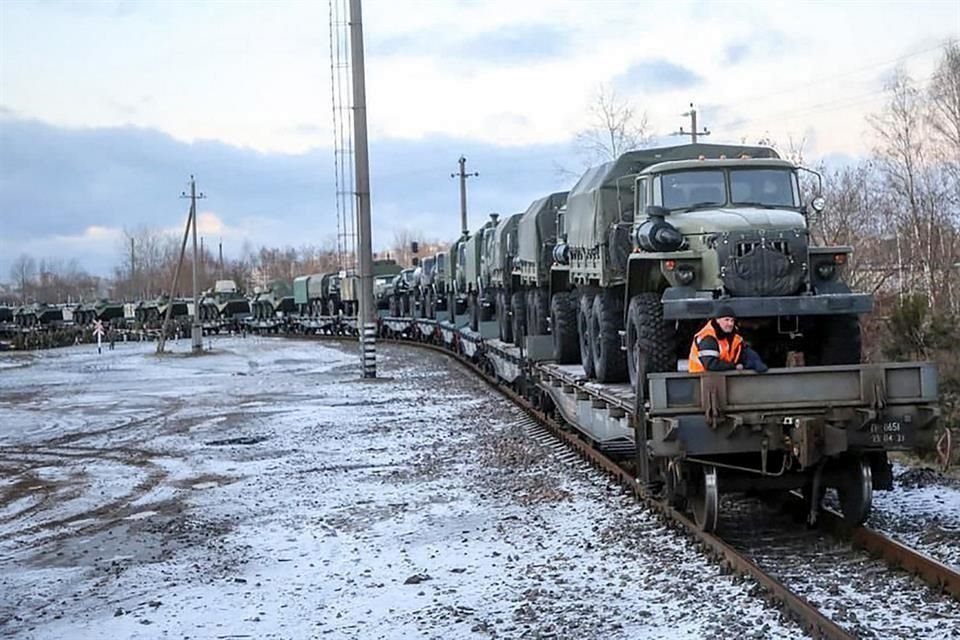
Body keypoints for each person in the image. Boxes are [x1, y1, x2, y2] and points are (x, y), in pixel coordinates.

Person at [689, 306, 768, 373]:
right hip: (701, 378)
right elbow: (711, 364)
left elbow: (743, 351)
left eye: (732, 320)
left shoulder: (733, 336)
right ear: (717, 320)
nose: (730, 324)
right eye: (726, 320)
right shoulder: (708, 337)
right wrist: (735, 366)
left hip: (721, 376)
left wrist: (756, 362)